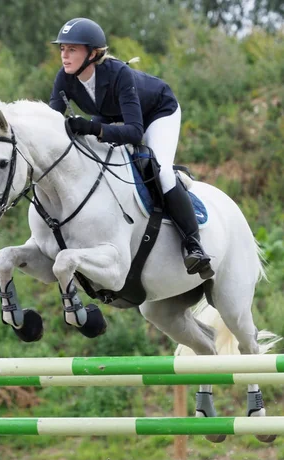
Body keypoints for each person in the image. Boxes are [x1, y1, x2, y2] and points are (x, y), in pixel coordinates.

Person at [49, 17, 213, 279]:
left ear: (92, 53)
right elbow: (52, 121)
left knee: (162, 173)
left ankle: (193, 246)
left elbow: (136, 132)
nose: (64, 56)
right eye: (62, 49)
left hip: (158, 112)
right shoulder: (65, 78)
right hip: (113, 114)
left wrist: (91, 128)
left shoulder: (118, 74)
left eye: (72, 50)